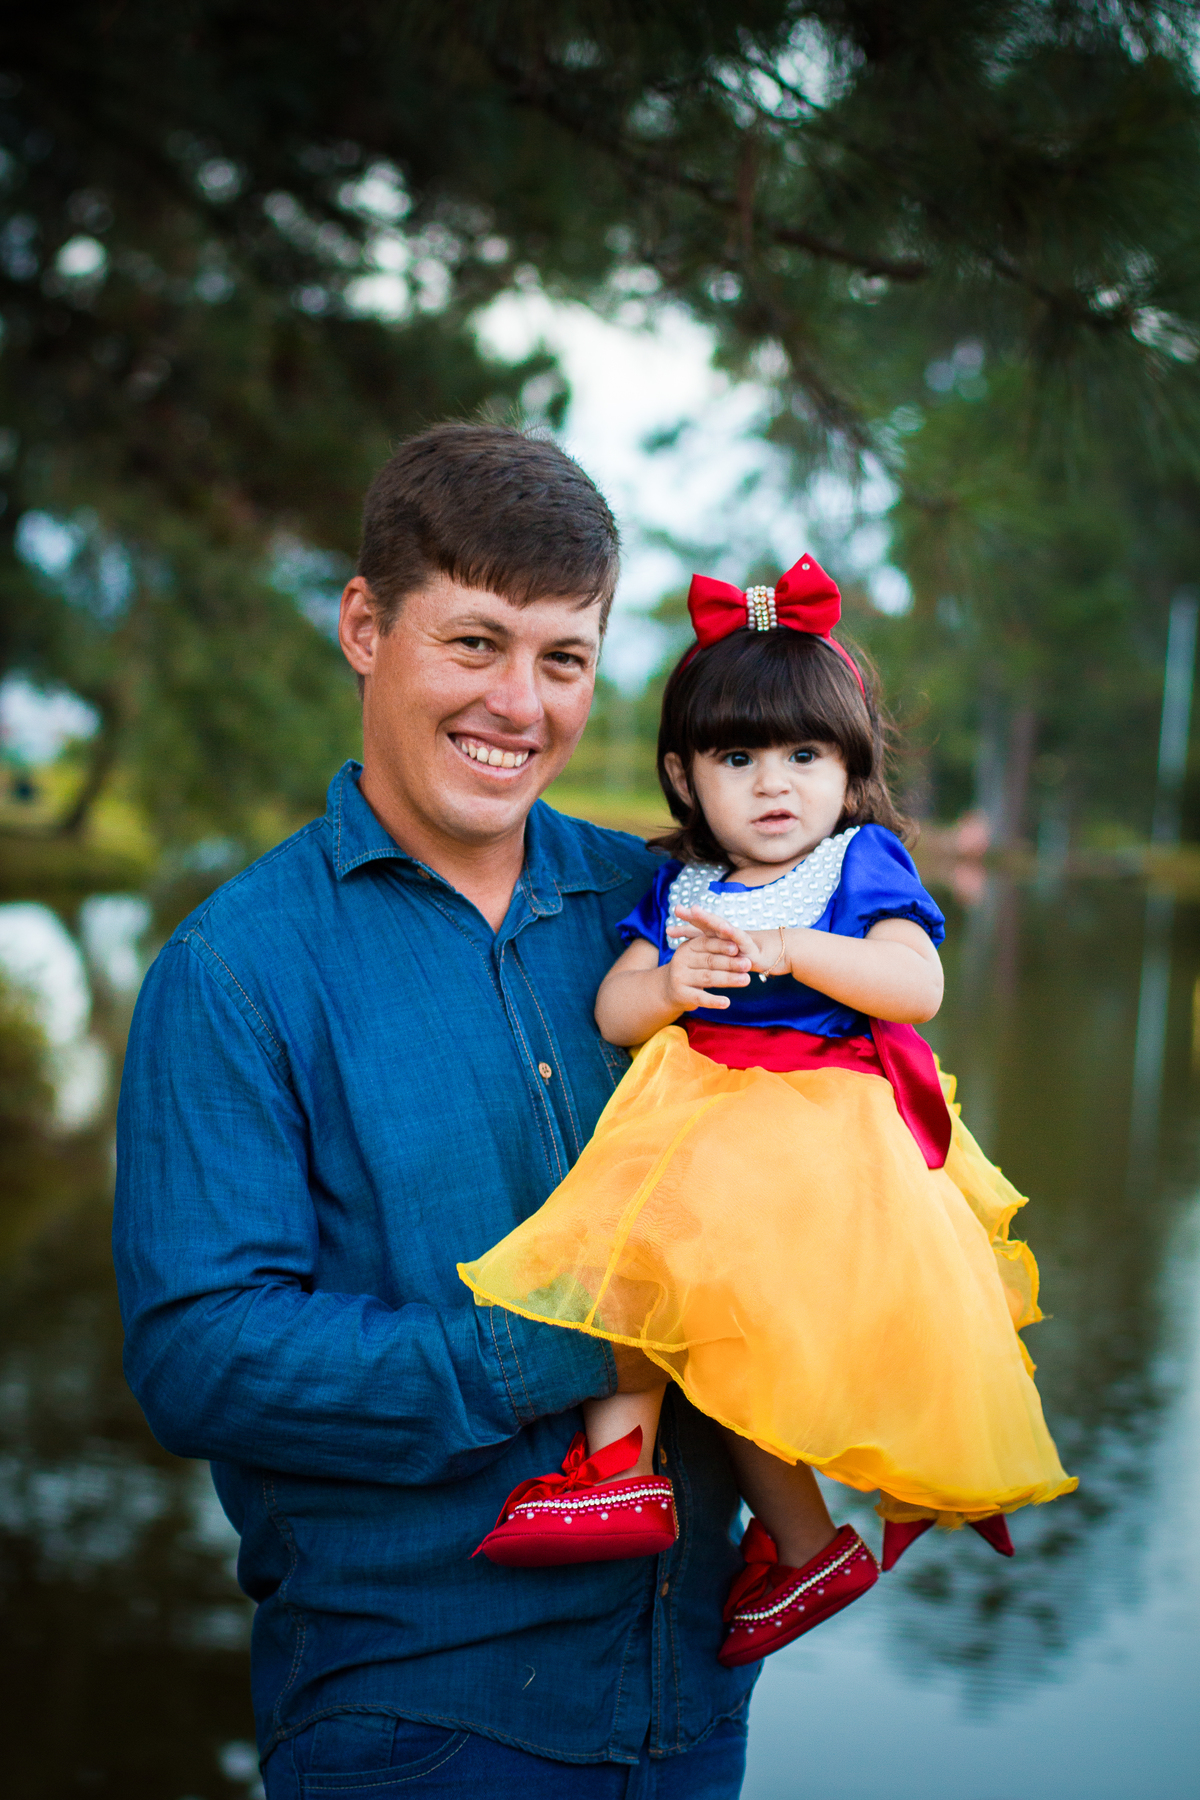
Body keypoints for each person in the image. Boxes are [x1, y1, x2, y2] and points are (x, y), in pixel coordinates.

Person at [113, 424, 757, 1800]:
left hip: (695, 1710)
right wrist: (555, 1345)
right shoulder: (235, 970)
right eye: (475, 643)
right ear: (364, 627)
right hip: (419, 1725)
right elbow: (198, 1356)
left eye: (563, 659)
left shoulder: (669, 912)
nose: (520, 705)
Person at [459, 553, 1077, 1664]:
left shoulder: (856, 865)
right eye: (737, 758)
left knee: (719, 1327)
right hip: (702, 1124)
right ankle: (659, 1487)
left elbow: (917, 985)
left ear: (849, 770)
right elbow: (614, 1011)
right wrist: (672, 983)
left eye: (804, 755)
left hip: (818, 1136)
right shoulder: (685, 888)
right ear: (685, 777)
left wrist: (798, 946)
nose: (773, 784)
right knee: (653, 1288)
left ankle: (761, 1525)